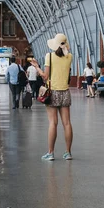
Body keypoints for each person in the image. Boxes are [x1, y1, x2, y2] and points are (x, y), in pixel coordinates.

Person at [30, 33, 74, 161]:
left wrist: (37, 67)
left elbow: (45, 76)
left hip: (52, 92)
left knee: (53, 123)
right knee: (67, 123)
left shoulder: (49, 56)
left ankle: (50, 153)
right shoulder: (69, 57)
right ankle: (68, 152)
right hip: (65, 92)